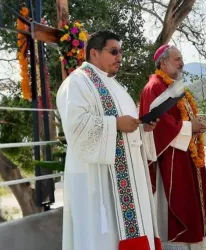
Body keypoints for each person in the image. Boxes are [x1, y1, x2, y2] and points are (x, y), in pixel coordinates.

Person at [56, 30, 162, 250]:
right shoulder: (76, 82)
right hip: (97, 183)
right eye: (114, 51)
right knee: (103, 240)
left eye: (120, 51)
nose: (120, 57)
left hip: (129, 181)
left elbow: (127, 126)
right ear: (94, 53)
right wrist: (115, 124)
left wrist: (143, 128)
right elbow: (76, 127)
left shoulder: (117, 87)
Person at [139, 45, 206, 250]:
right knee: (178, 209)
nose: (181, 62)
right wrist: (189, 127)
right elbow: (158, 125)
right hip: (172, 159)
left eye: (181, 58)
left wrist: (195, 126)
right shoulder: (153, 87)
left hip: (186, 154)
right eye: (177, 59)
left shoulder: (174, 85)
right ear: (163, 63)